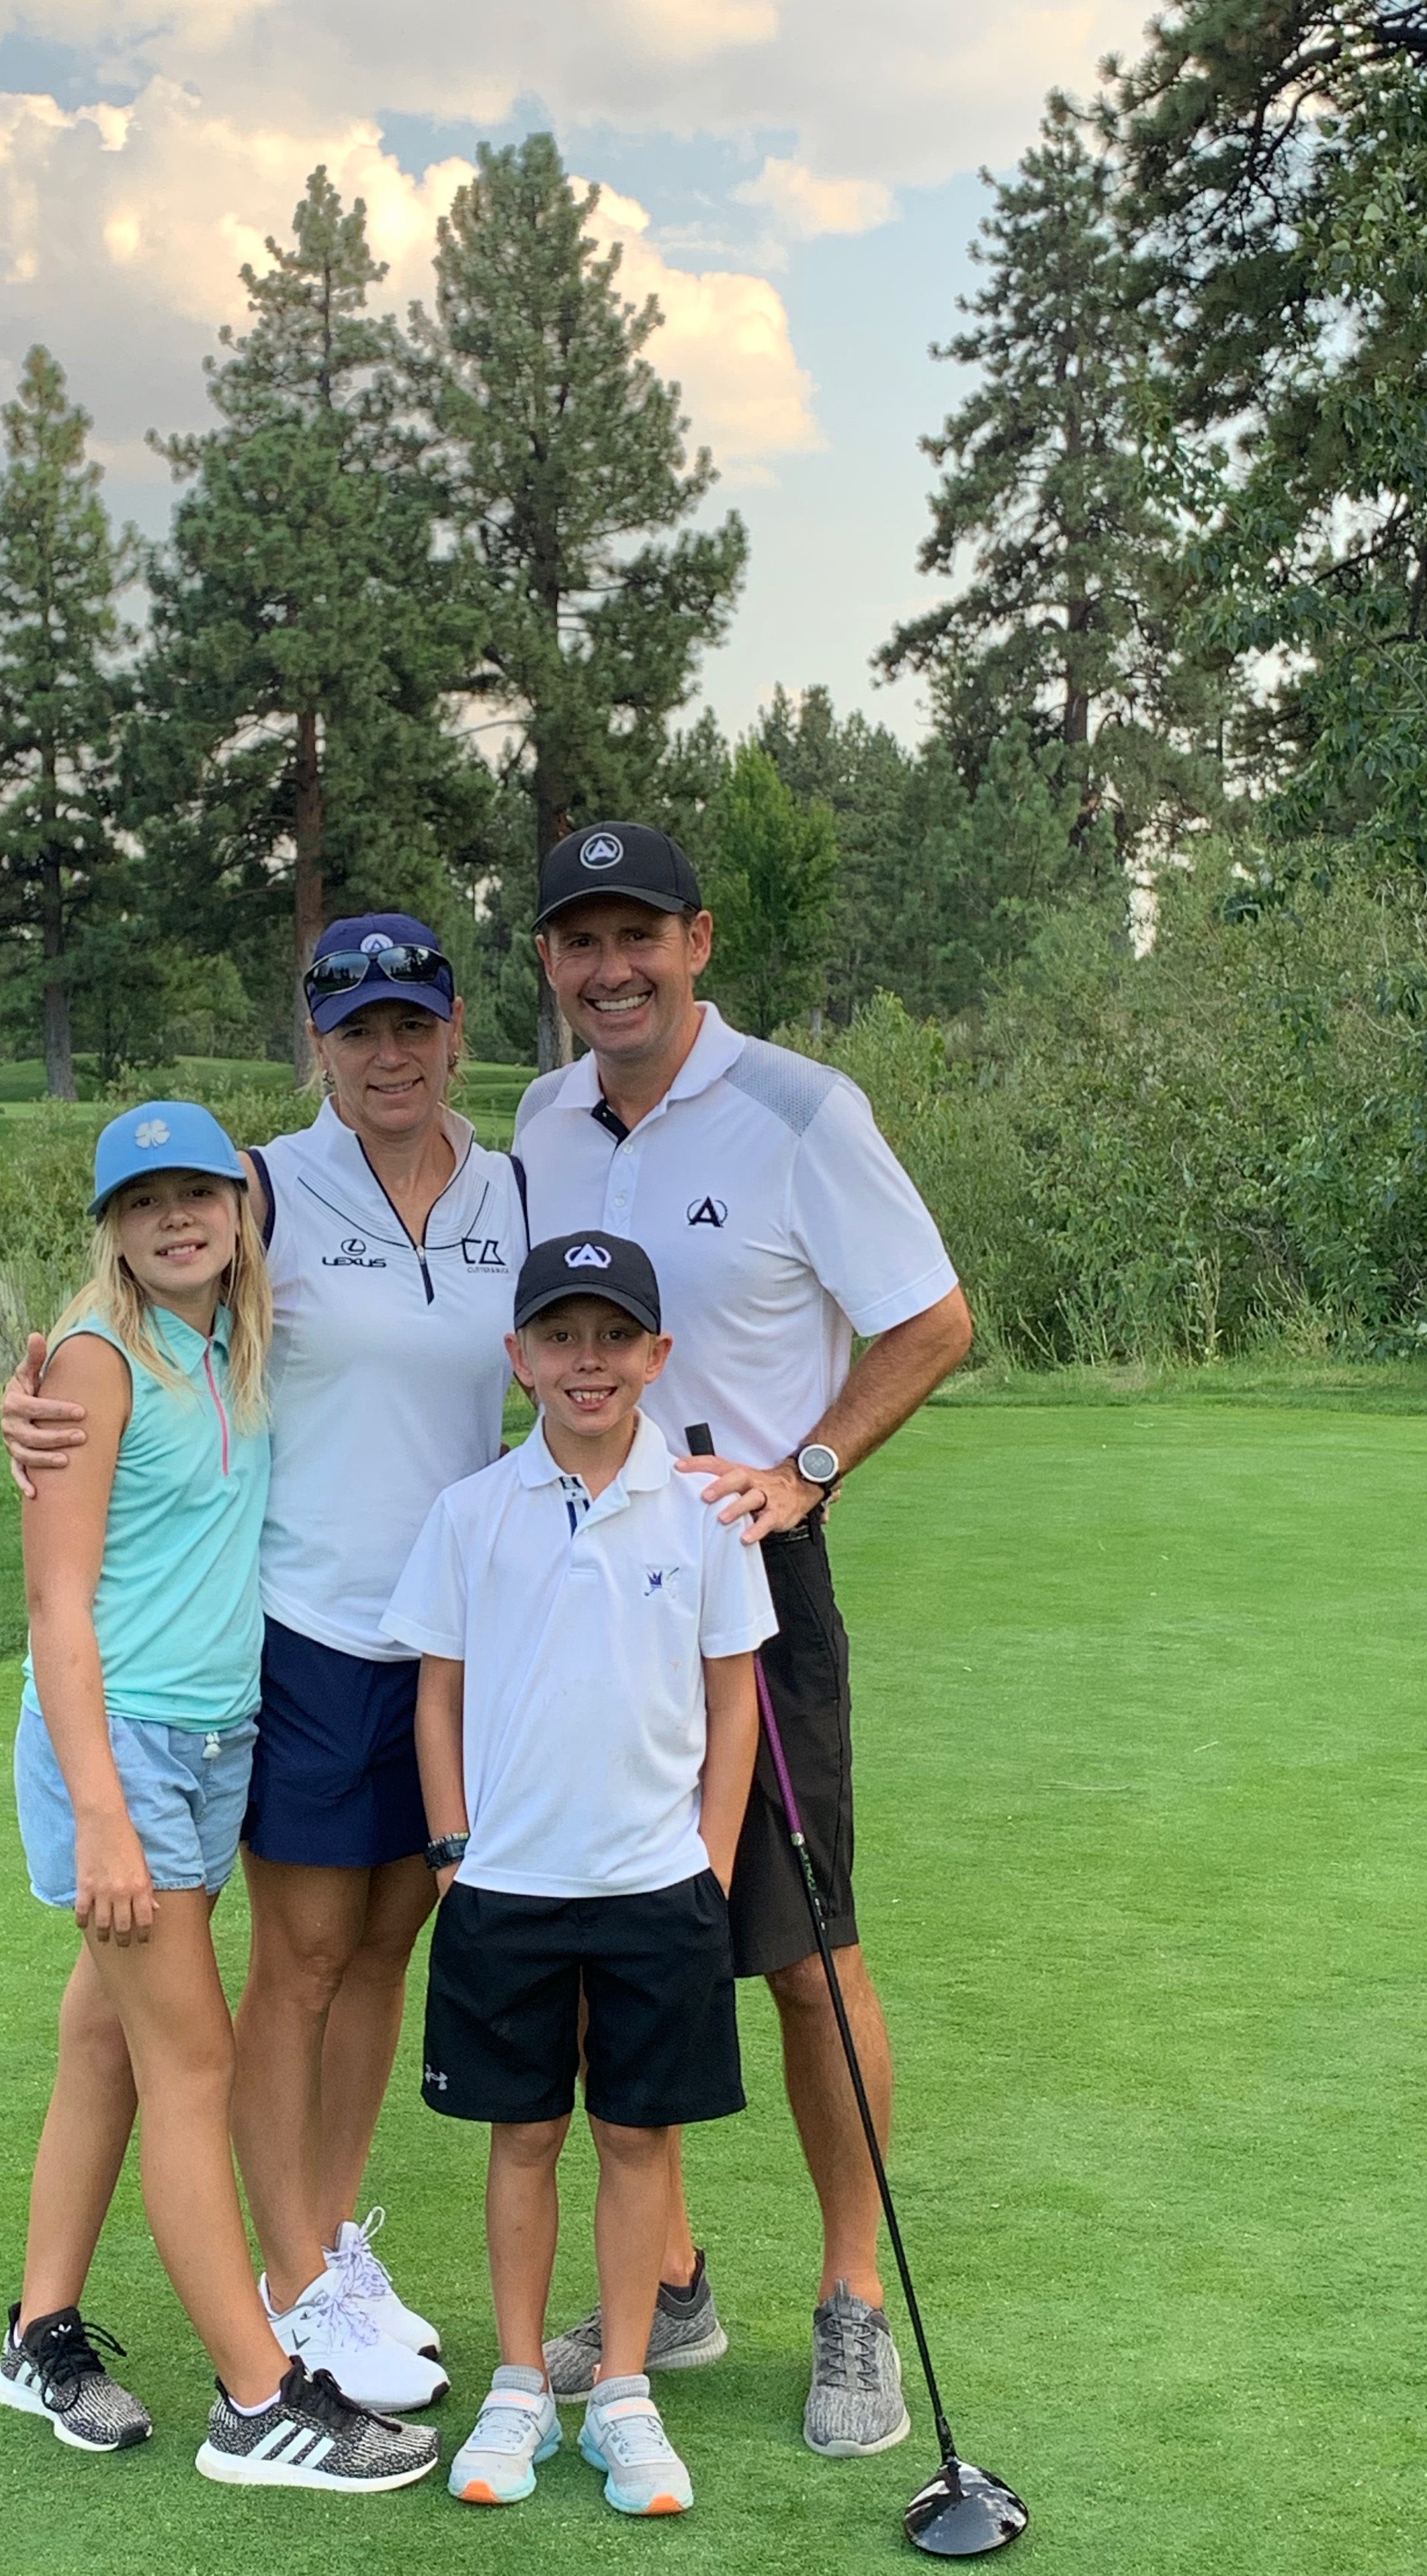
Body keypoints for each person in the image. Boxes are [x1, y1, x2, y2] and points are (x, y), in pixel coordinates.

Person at [0, 919, 525, 2412]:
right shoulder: (269, 1185)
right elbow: (123, 1310)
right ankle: (287, 2292)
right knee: (291, 1965)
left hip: (447, 1640)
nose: (389, 1054)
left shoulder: (514, 1189)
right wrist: (32, 1407)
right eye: (358, 1031)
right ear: (321, 1048)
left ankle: (312, 2255)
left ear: (454, 1029)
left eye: (412, 1024)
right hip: (298, 1638)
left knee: (378, 1950)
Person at [513, 822, 974, 2457]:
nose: (611, 970)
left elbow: (933, 1321)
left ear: (697, 940)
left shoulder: (801, 1110)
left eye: (638, 935)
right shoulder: (540, 1120)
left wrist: (810, 1470)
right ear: (550, 962)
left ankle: (853, 2299)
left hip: (747, 1584)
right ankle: (675, 2281)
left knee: (802, 1956)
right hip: (583, 1589)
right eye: (581, 942)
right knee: (617, 1941)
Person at [384, 1233, 772, 2515]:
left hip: (658, 1884)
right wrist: (453, 1852)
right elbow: (437, 1697)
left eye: (613, 1337)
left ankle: (621, 2391)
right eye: (560, 1336)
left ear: (658, 1355)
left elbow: (735, 1702)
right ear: (519, 1357)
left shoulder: (707, 1512)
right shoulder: (471, 1512)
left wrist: (712, 1868)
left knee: (637, 2134)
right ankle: (516, 2384)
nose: (586, 1361)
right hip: (507, 1883)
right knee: (526, 2132)